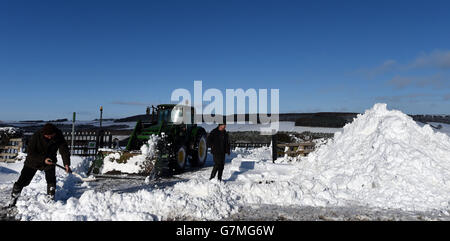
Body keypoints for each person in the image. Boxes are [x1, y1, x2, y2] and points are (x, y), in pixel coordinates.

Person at [8, 123, 71, 207]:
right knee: (23, 181)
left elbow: (64, 149)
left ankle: (50, 198)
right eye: (47, 136)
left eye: (51, 135)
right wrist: (43, 159)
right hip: (33, 160)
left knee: (51, 180)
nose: (49, 137)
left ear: (54, 133)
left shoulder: (58, 135)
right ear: (43, 134)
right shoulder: (36, 136)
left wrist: (66, 164)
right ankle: (14, 198)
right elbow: (30, 152)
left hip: (50, 160)